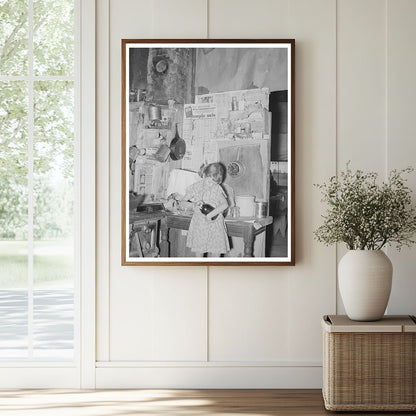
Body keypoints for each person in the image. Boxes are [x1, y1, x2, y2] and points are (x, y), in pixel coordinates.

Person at [182, 162, 230, 257]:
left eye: (214, 183)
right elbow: (182, 202)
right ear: (204, 175)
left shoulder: (217, 188)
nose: (211, 185)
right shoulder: (196, 187)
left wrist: (210, 215)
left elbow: (225, 204)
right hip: (200, 225)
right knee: (199, 253)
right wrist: (193, 205)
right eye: (209, 181)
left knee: (215, 253)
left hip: (215, 224)